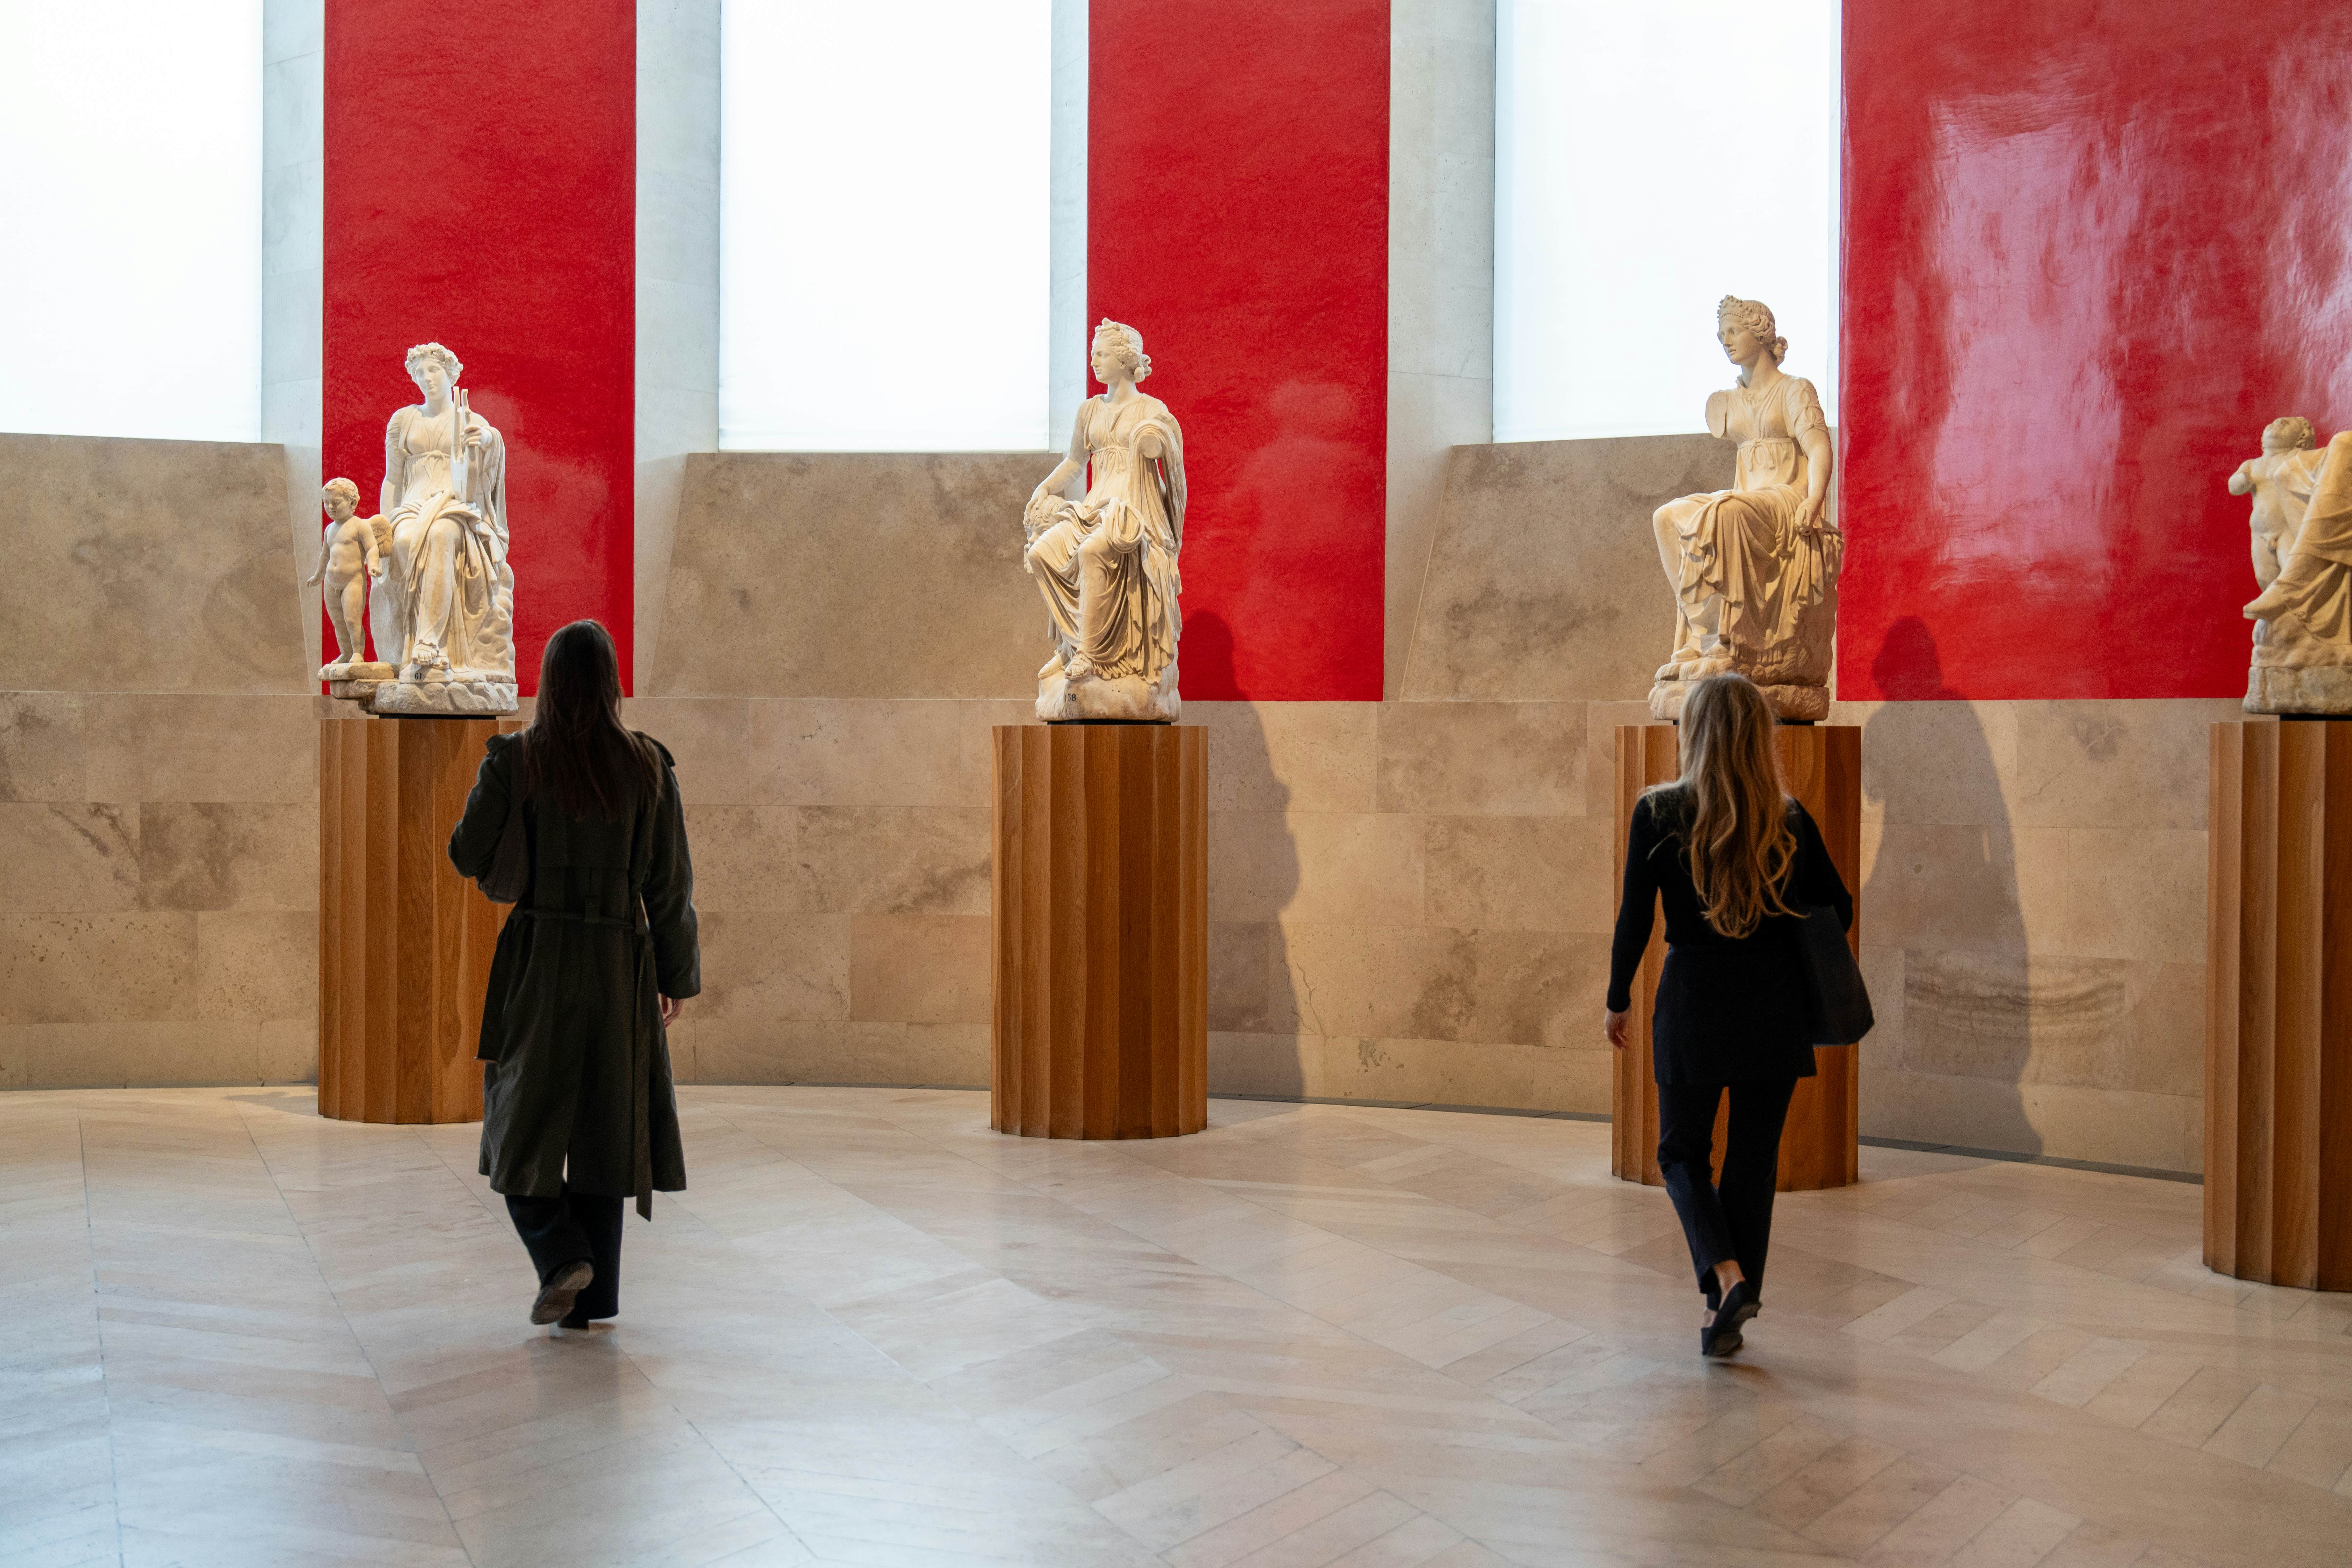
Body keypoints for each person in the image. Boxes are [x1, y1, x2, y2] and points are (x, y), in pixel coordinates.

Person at [448, 619, 699, 1329]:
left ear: (549, 681)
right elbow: (671, 883)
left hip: (542, 956)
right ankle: (592, 1299)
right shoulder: (649, 765)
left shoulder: (518, 760)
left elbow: (467, 854)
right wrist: (674, 974)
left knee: (515, 1123)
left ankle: (561, 1258)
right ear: (613, 683)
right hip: (623, 960)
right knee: (604, 1121)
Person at [1603, 673, 1851, 1358]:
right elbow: (1842, 910)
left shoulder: (1657, 812)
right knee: (1751, 1161)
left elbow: (1634, 922)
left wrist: (1617, 997)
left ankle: (1727, 1275)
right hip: (1775, 1007)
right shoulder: (1790, 819)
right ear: (1758, 739)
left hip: (1693, 1001)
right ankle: (1729, 1307)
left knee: (1681, 1152)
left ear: (1696, 734)